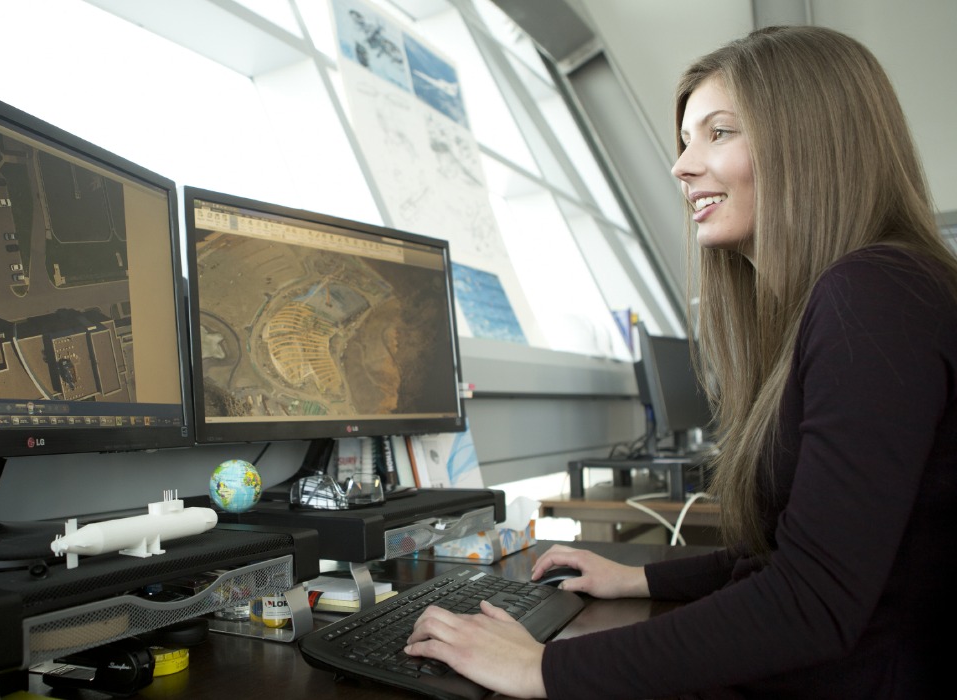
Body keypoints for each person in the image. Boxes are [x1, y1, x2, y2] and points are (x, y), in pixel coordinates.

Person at [404, 25, 957, 699]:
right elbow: (795, 552)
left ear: (811, 142)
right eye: (687, 139)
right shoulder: (873, 291)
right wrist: (641, 577)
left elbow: (813, 599)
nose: (682, 166)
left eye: (719, 133)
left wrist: (540, 668)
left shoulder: (872, 295)